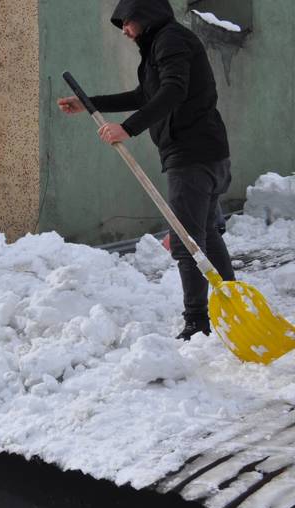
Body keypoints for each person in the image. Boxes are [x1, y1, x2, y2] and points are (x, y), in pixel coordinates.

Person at [57, 0, 235, 341]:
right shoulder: (163, 44)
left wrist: (128, 128)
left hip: (192, 156)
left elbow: (173, 91)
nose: (124, 29)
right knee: (207, 234)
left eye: (127, 21)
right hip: (206, 152)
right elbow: (145, 94)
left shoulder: (170, 41)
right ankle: (233, 303)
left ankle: (197, 323)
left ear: (146, 15)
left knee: (187, 242)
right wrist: (89, 104)